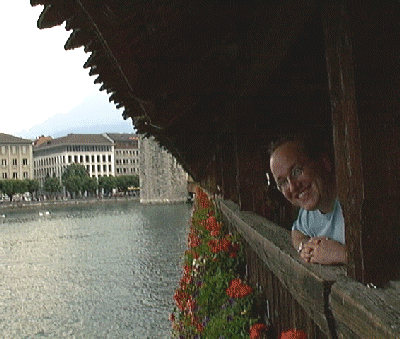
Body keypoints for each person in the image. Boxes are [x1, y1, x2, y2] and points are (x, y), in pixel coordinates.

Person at [268, 132, 347, 265]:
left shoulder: (355, 201)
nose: (293, 187)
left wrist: (343, 254)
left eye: (297, 171)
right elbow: (297, 232)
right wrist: (304, 246)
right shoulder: (310, 213)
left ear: (324, 162)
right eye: (283, 183)